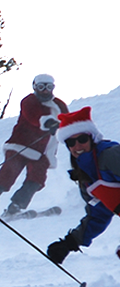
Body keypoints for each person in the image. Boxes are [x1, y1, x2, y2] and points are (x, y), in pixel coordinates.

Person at [45, 107, 120, 265]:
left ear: (92, 138)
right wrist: (69, 243)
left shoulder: (110, 156)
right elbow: (98, 214)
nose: (77, 145)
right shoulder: (87, 177)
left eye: (82, 139)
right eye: (71, 142)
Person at [0, 74, 70, 217]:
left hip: (43, 151)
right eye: (41, 87)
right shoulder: (30, 101)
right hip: (21, 145)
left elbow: (67, 120)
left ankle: (16, 206)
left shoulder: (59, 105)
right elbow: (34, 117)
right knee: (8, 174)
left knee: (37, 179)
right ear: (35, 87)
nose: (45, 91)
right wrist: (49, 123)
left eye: (49, 87)